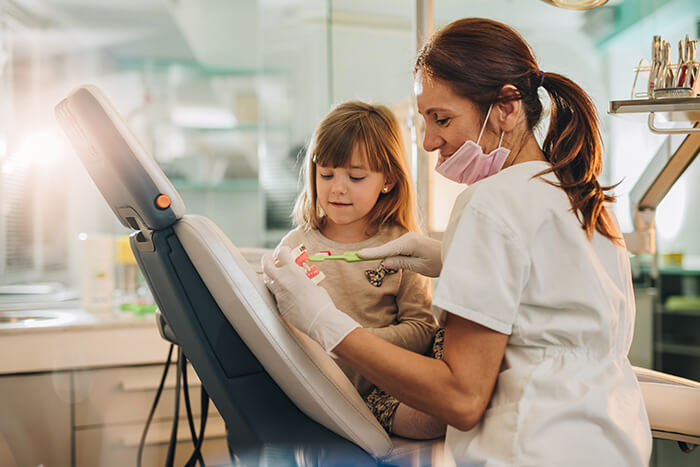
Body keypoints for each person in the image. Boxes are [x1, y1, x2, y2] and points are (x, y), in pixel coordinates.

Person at [263, 18, 652, 466]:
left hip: (529, 450)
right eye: (424, 121)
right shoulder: (586, 199)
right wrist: (449, 259)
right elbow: (555, 315)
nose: (429, 142)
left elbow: (462, 399)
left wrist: (324, 322)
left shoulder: (490, 203)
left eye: (442, 119)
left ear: (507, 107)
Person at [276, 100, 445, 439]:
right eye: (326, 174)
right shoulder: (296, 246)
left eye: (355, 177)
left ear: (388, 181)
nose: (337, 188)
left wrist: (356, 342)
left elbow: (421, 328)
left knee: (438, 418)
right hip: (321, 392)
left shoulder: (403, 249)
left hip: (383, 390)